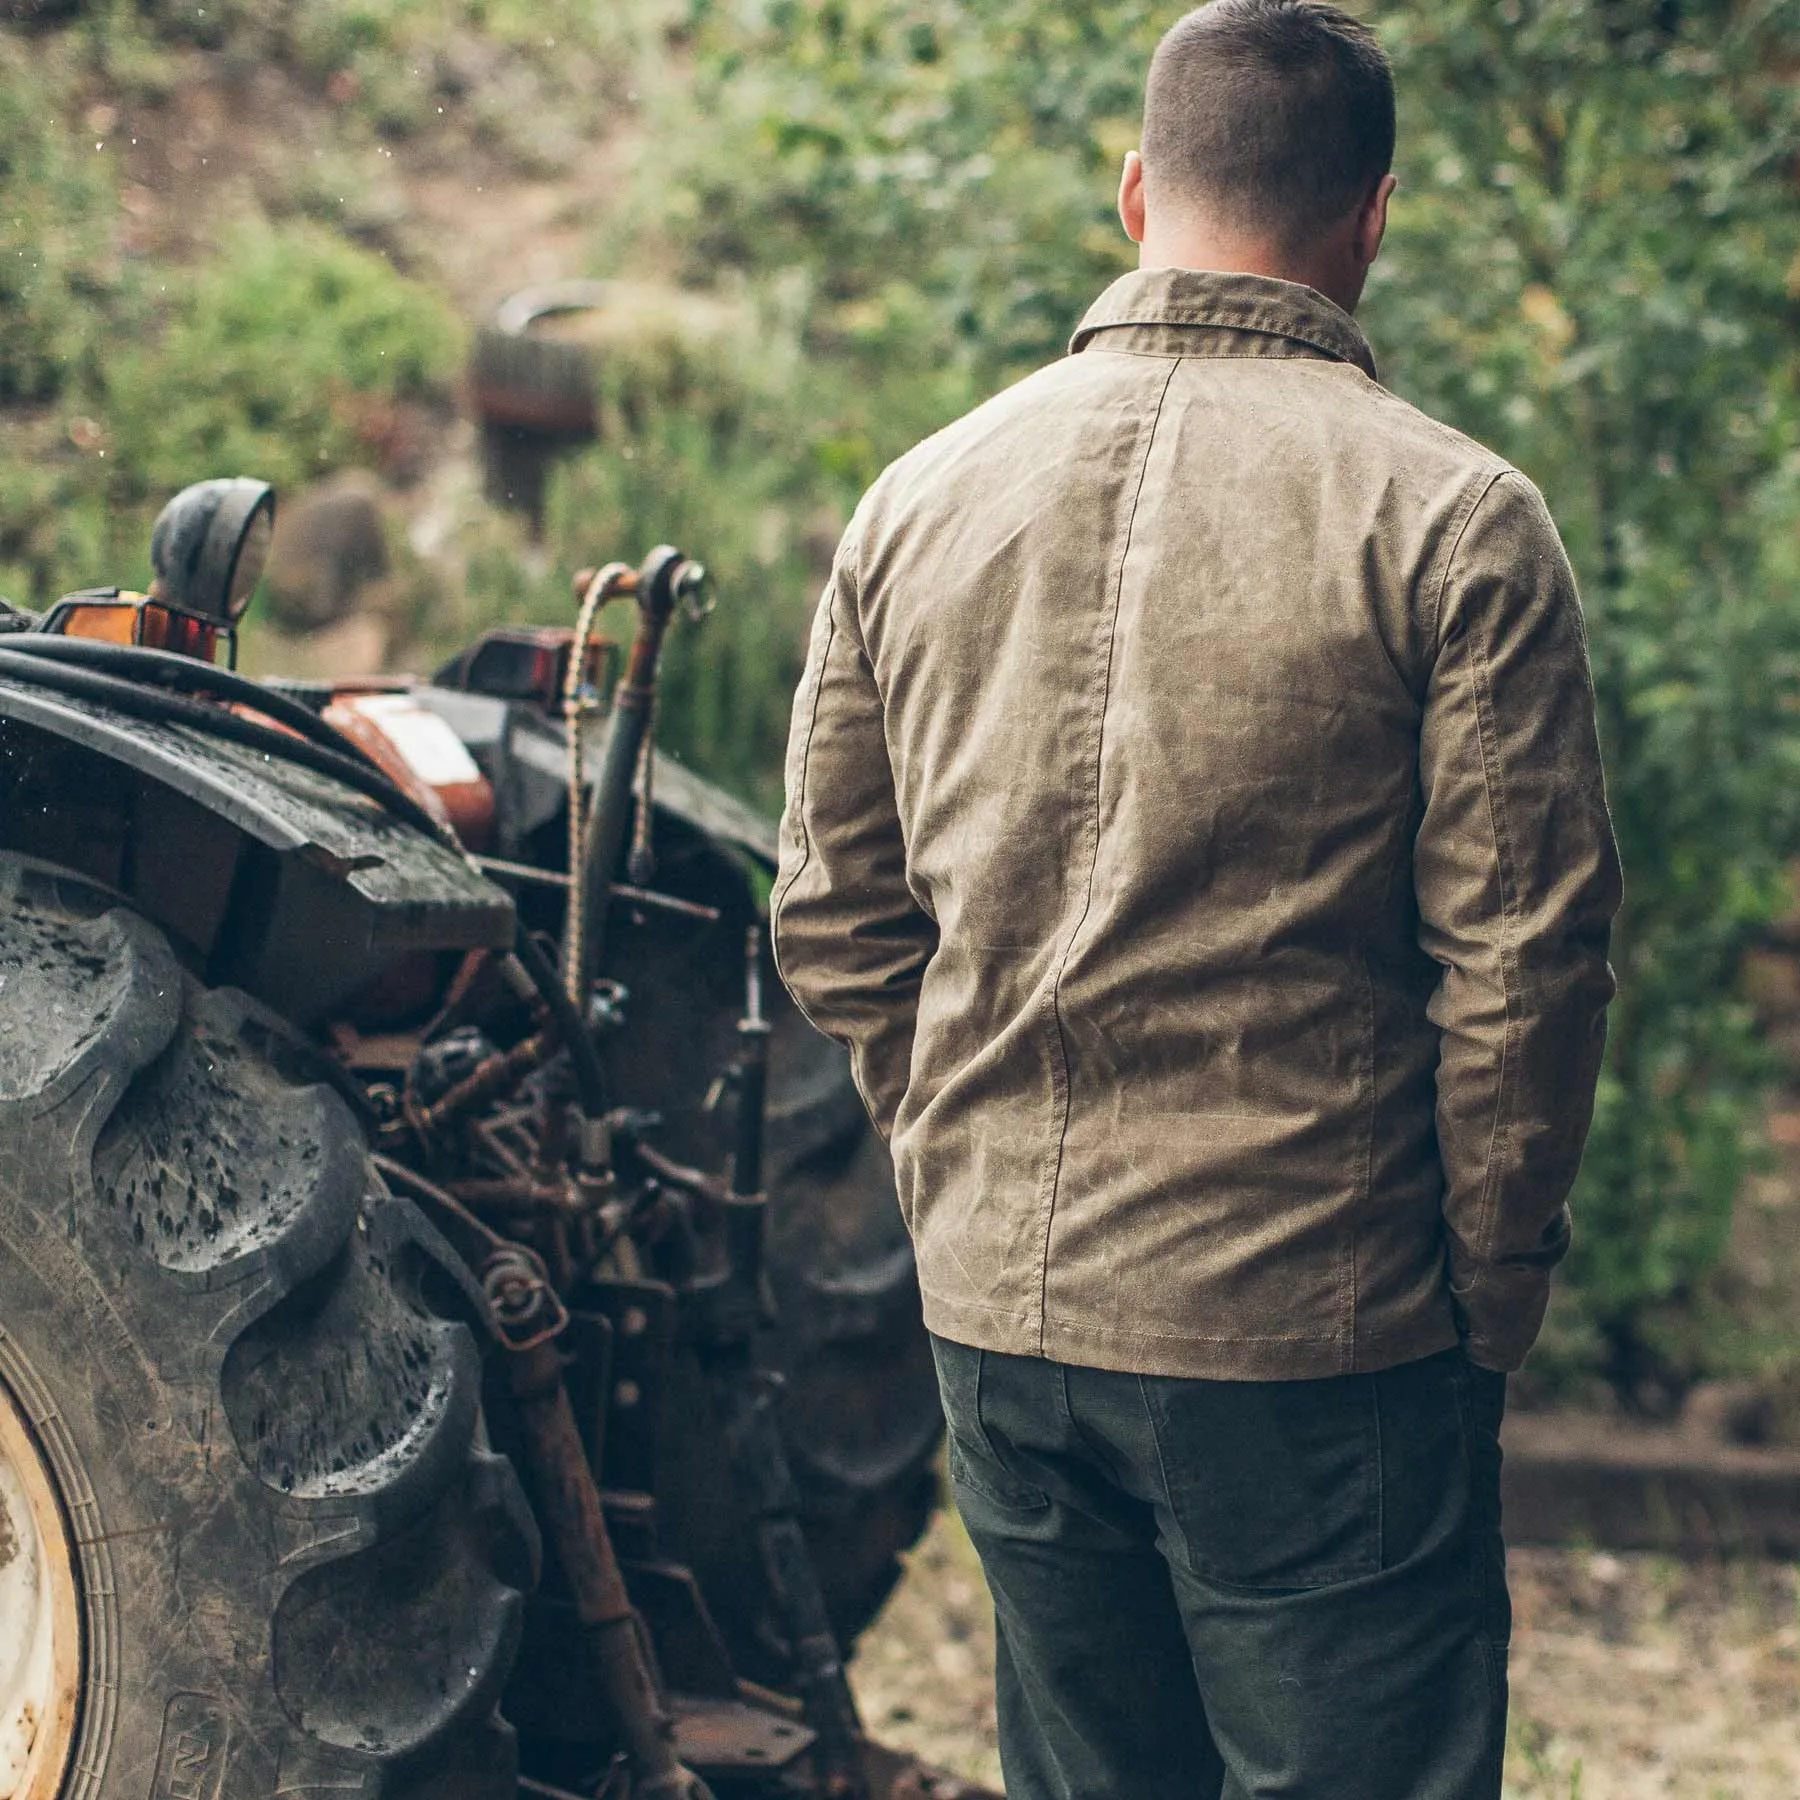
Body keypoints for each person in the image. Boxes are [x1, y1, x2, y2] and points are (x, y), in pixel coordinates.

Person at [770, 3, 1622, 1794]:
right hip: (1320, 1330)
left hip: (1003, 1318)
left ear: (1136, 188)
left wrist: (965, 1172)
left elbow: (836, 918)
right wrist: (1491, 1290)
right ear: (1375, 216)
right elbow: (1525, 974)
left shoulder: (919, 499)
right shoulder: (1456, 520)